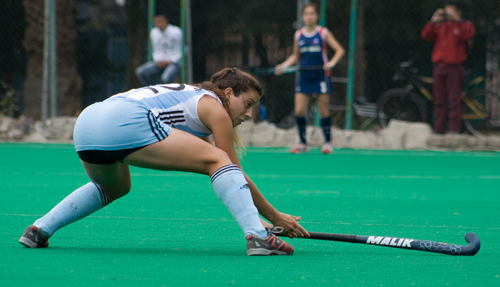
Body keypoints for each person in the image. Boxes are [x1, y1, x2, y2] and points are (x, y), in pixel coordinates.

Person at [19, 68, 309, 256]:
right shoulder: (215, 107)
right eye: (248, 104)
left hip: (87, 123)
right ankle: (257, 239)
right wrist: (274, 217)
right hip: (124, 120)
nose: (249, 115)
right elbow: (232, 170)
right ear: (229, 93)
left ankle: (39, 230)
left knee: (114, 186)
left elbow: (223, 174)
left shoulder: (191, 99)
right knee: (220, 160)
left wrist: (253, 213)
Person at [275, 3, 345, 154]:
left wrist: (331, 63)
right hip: (304, 77)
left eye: (312, 13)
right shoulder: (299, 35)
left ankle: (327, 143)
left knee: (323, 111)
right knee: (299, 111)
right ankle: (302, 143)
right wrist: (283, 66)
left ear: (316, 16)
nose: (309, 16)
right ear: (302, 17)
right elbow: (295, 56)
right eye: (307, 13)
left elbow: (339, 50)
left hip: (321, 76)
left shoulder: (323, 33)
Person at [421, 0, 476, 134]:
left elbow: (467, 35)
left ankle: (453, 130)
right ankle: (438, 129)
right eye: (447, 8)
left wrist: (458, 20)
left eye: (452, 9)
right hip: (439, 66)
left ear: (459, 11)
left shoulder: (464, 25)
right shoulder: (439, 25)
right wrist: (433, 20)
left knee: (454, 101)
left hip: (455, 67)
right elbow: (426, 36)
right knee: (439, 101)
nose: (448, 12)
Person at [135, 12, 183, 85]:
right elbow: (156, 50)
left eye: (161, 21)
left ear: (166, 21)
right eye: (156, 22)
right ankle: (153, 90)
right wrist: (158, 61)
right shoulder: (153, 32)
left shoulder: (176, 31)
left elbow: (179, 50)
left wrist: (168, 61)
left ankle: (171, 92)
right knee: (140, 72)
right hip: (159, 63)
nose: (159, 24)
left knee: (165, 78)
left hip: (173, 63)